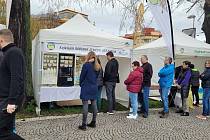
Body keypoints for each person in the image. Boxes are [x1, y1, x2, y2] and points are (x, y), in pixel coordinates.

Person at [0, 29, 25, 140]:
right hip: (5, 99)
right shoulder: (5, 53)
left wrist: (12, 102)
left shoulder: (14, 52)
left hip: (8, 101)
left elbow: (17, 78)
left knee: (3, 133)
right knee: (7, 130)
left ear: (1, 40)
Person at [79, 51, 101, 131]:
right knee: (94, 104)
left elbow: (82, 76)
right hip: (94, 87)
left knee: (85, 105)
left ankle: (84, 124)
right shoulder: (98, 66)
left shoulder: (86, 65)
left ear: (88, 56)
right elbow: (97, 76)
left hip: (86, 86)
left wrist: (81, 83)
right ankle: (93, 122)